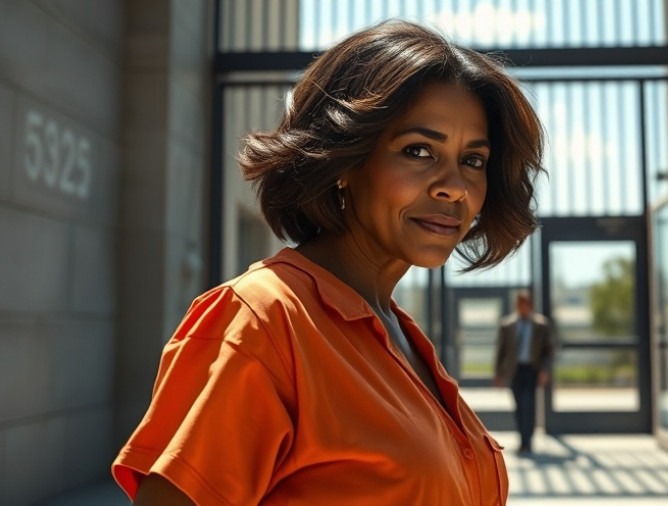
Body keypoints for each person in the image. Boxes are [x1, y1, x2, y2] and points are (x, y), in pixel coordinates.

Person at [110, 19, 544, 506]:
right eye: (419, 151)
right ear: (345, 163)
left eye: (474, 160)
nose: (454, 186)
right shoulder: (262, 321)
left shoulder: (399, 336)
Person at [493, 289, 554, 455]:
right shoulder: (508, 325)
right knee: (519, 406)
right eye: (521, 304)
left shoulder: (541, 325)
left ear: (530, 305)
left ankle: (528, 441)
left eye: (526, 304)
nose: (523, 307)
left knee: (530, 404)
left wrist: (544, 371)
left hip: (532, 370)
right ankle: (522, 439)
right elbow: (501, 351)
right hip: (515, 370)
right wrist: (498, 374)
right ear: (517, 305)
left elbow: (548, 351)